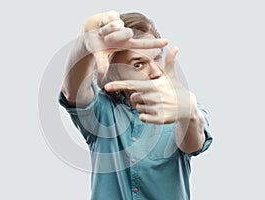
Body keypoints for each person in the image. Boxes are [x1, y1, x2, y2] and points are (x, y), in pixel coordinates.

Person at [59, 11, 213, 200]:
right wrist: (85, 43)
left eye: (157, 58)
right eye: (138, 65)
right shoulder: (102, 112)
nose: (156, 72)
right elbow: (71, 91)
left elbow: (193, 143)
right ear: (114, 73)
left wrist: (188, 113)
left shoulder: (184, 107)